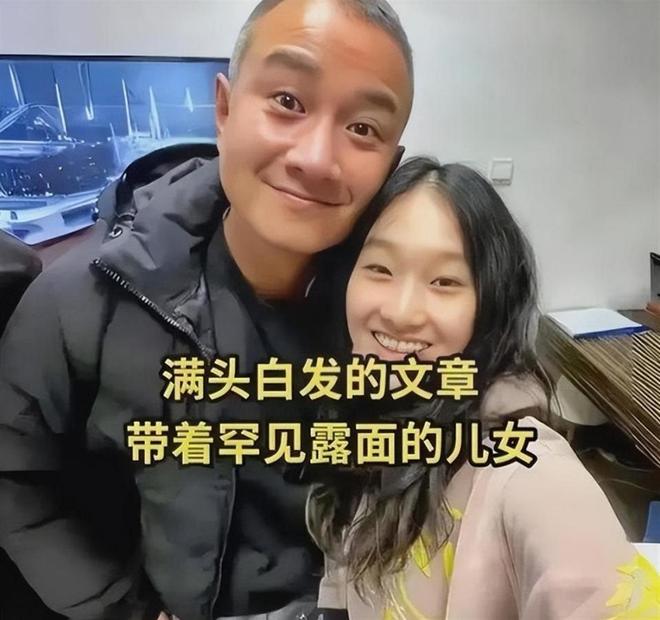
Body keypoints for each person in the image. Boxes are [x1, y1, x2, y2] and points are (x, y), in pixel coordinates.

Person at [0, 1, 414, 619]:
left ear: (391, 163)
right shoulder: (87, 300)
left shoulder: (398, 313)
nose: (316, 158)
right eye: (288, 102)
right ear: (224, 107)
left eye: (362, 129)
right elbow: (15, 477)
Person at [306, 157, 660, 619]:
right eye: (379, 268)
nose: (400, 311)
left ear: (490, 305)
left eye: (444, 281)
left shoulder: (526, 472)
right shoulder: (362, 412)